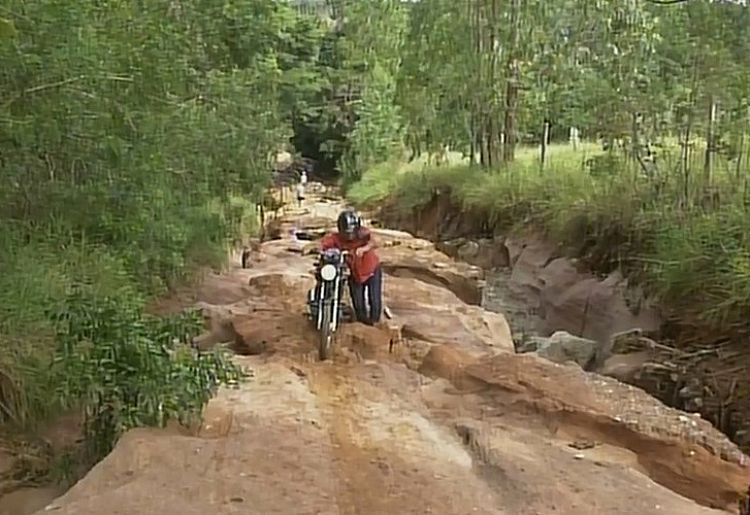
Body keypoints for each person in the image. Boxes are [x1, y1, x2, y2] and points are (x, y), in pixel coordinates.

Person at [319, 210, 382, 325]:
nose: (349, 236)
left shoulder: (364, 233)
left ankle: (375, 323)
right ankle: (362, 323)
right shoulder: (336, 238)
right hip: (354, 273)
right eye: (346, 233)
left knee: (375, 301)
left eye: (352, 233)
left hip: (371, 270)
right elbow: (324, 245)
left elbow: (375, 241)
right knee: (358, 304)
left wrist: (364, 249)